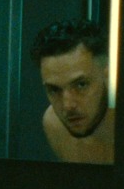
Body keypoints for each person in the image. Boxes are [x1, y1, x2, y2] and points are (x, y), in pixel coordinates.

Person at [29, 18, 114, 164]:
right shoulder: (54, 125)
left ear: (107, 76)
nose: (68, 105)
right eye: (54, 90)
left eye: (81, 85)